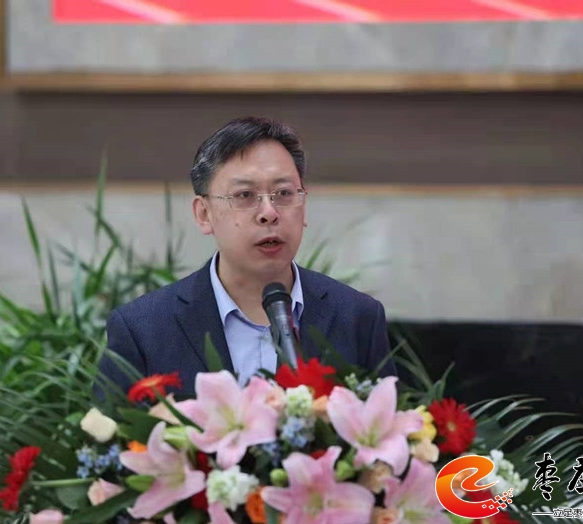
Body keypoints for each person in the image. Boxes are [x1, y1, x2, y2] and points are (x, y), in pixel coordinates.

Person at [97, 117, 395, 398]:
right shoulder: (143, 329)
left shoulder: (357, 318)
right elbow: (112, 435)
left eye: (284, 193)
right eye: (245, 196)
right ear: (204, 214)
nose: (269, 213)